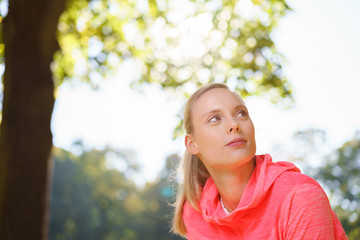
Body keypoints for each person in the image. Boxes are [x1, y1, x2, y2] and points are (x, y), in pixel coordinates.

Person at [171, 83, 348, 239]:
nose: (234, 124)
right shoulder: (195, 212)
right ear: (192, 144)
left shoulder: (300, 197)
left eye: (241, 113)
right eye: (214, 119)